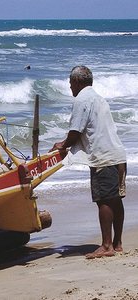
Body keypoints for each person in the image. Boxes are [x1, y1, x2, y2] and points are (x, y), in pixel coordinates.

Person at [50, 66, 127, 259]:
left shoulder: (82, 99)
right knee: (115, 200)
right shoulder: (98, 98)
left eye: (70, 83)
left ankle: (106, 246)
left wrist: (62, 144)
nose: (70, 88)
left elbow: (76, 131)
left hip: (103, 156)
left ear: (77, 82)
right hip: (118, 154)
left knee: (104, 201)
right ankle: (117, 243)